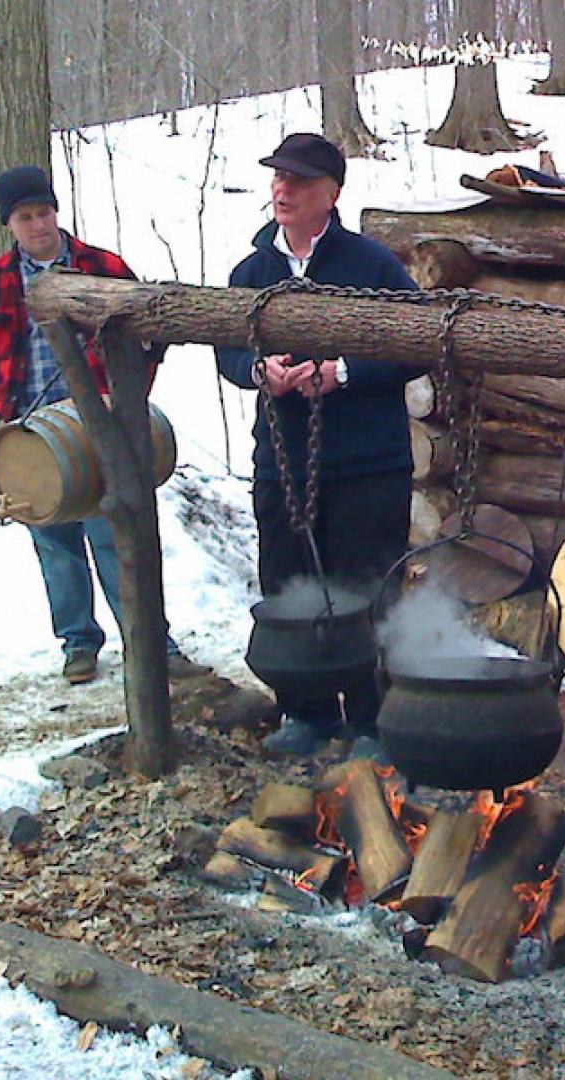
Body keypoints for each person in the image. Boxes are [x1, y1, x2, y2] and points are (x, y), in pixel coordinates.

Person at [0, 165, 209, 686]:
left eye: (43, 213)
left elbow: (149, 334)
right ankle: (78, 643)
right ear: (10, 224)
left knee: (121, 534)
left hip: (104, 429)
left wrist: (130, 399)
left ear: (55, 212)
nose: (38, 225)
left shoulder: (101, 266)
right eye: (25, 217)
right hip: (30, 436)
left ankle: (151, 641)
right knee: (55, 543)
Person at [215, 133, 423, 757]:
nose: (283, 190)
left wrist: (344, 373)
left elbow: (414, 344)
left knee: (364, 587)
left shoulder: (373, 267)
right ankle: (305, 712)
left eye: (299, 182)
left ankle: (372, 720)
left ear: (330, 195)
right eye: (279, 179)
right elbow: (228, 347)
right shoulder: (251, 273)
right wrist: (262, 373)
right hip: (283, 463)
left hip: (367, 464)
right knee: (289, 584)